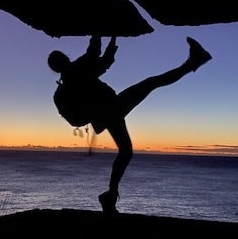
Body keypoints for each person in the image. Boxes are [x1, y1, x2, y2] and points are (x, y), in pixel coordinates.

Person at [47, 35, 212, 215]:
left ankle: (110, 195)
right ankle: (194, 61)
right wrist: (101, 31)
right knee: (152, 82)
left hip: (108, 112)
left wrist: (110, 39)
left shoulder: (66, 84)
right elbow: (95, 53)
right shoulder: (76, 70)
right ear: (65, 59)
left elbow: (98, 60)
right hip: (112, 107)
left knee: (126, 150)